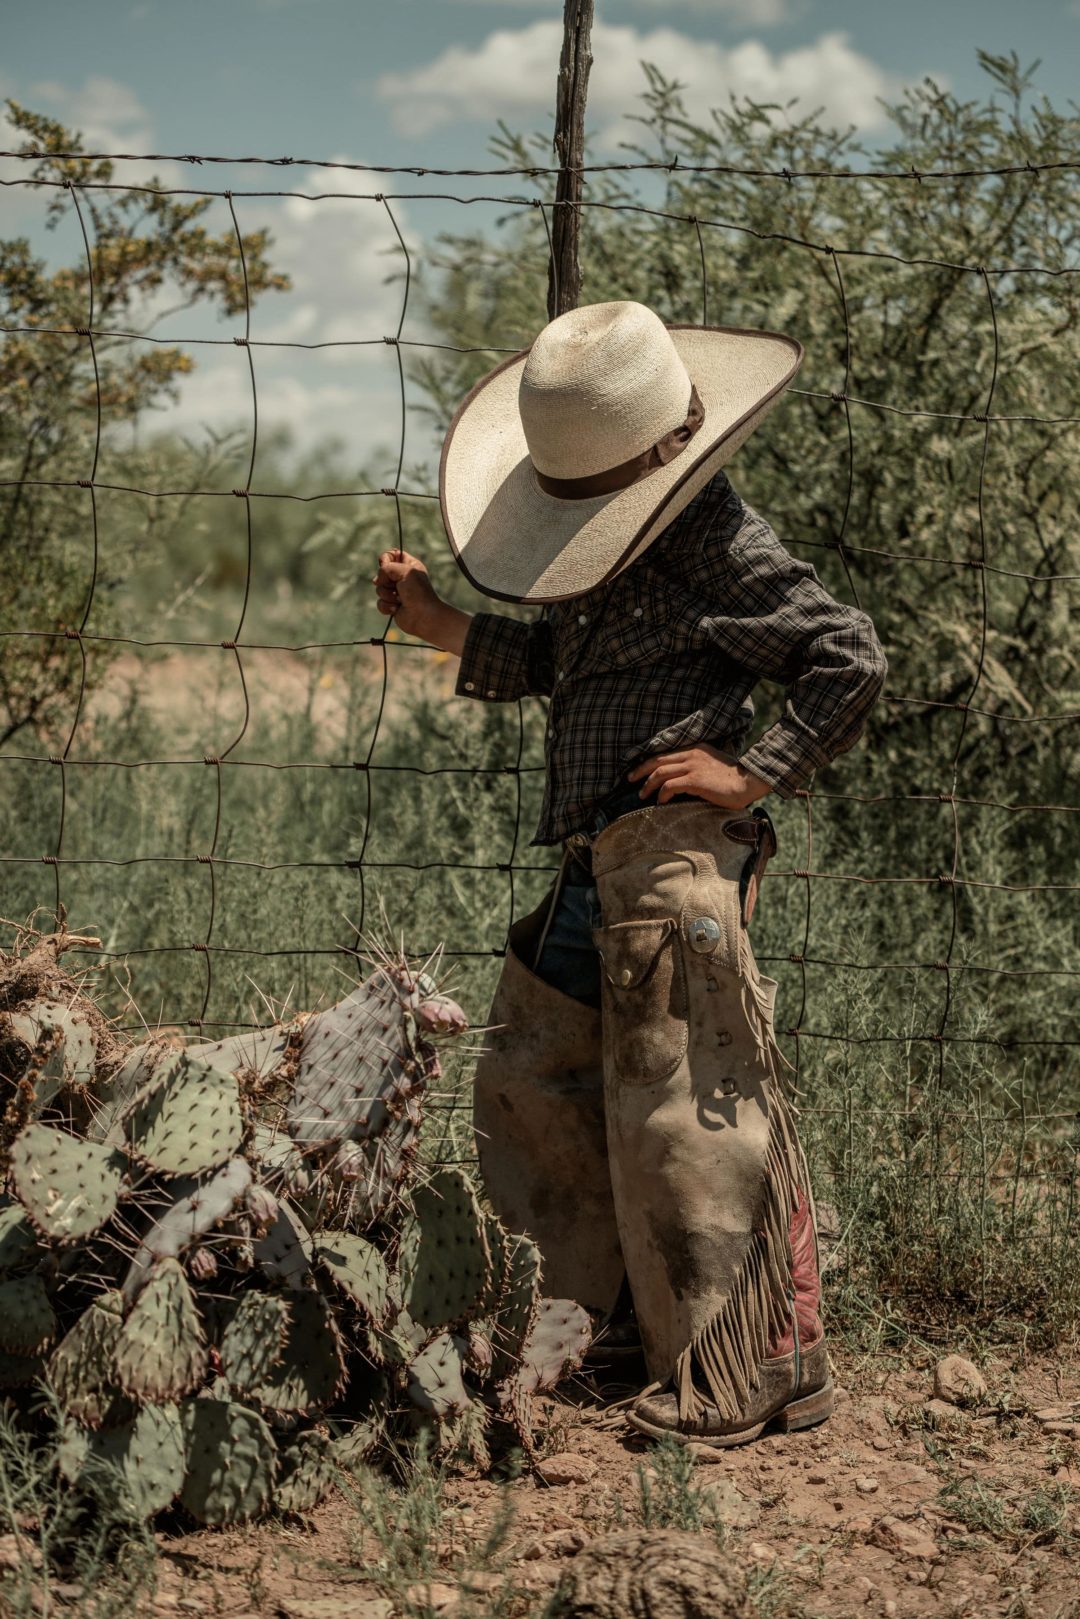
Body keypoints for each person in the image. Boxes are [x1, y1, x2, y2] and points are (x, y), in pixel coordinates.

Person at [373, 301, 887, 1447]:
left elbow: (848, 653)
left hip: (669, 859)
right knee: (539, 1075)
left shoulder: (713, 535)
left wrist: (749, 775)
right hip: (598, 861)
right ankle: (590, 1321)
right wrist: (442, 623)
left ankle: (745, 1361)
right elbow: (568, 663)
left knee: (688, 1106)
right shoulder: (609, 551)